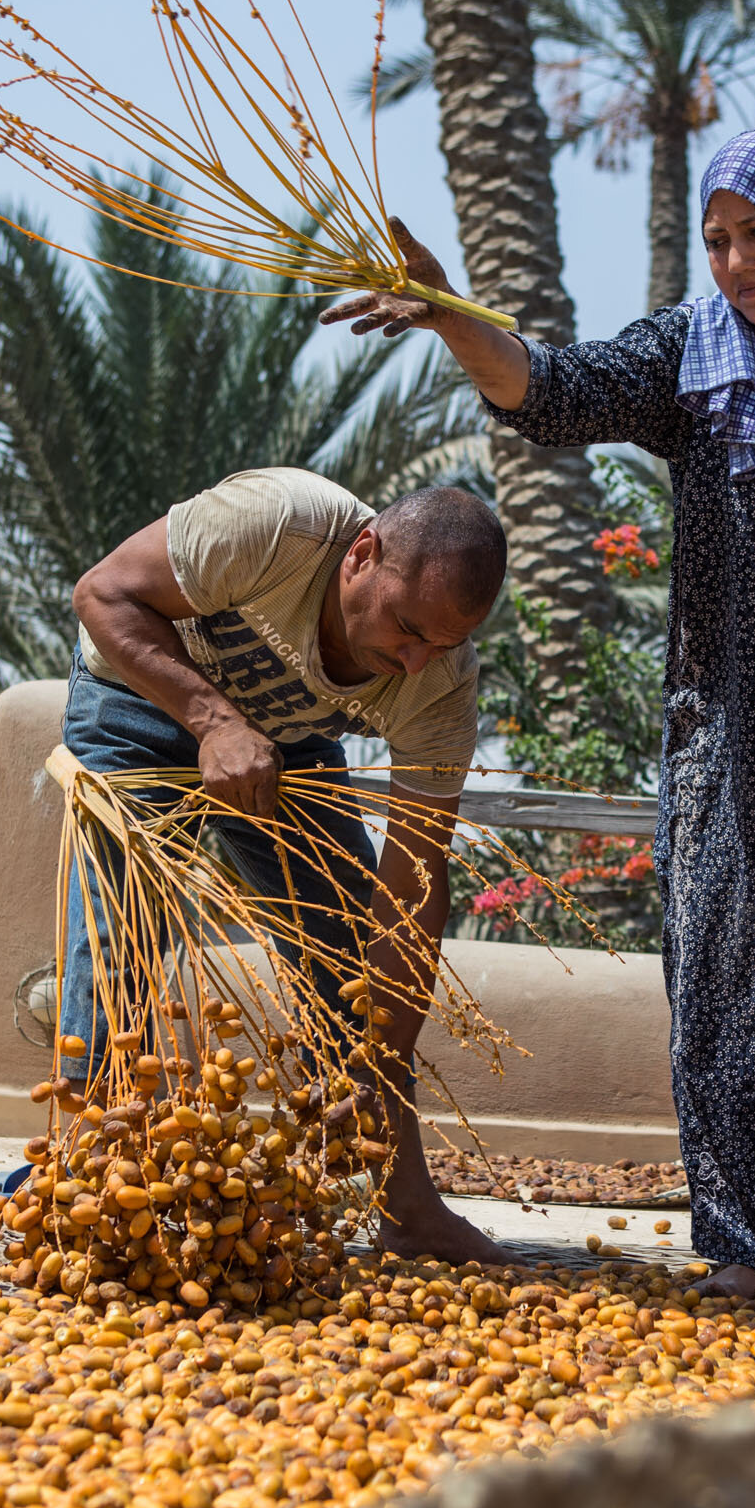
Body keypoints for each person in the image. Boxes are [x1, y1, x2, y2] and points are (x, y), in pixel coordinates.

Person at [324, 130, 755, 1323]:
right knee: (736, 984)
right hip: (739, 744)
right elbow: (549, 391)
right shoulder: (690, 361)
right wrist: (449, 310)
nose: (734, 261)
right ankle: (750, 1241)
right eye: (716, 240)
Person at [65, 467, 514, 1267]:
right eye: (406, 627)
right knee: (118, 944)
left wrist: (377, 1062)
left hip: (288, 746)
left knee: (346, 959)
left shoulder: (439, 681)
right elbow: (102, 594)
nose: (413, 663)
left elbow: (413, 882)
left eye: (439, 645)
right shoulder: (276, 525)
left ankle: (404, 1207)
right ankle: (91, 1195)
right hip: (140, 700)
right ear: (363, 555)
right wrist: (212, 721)